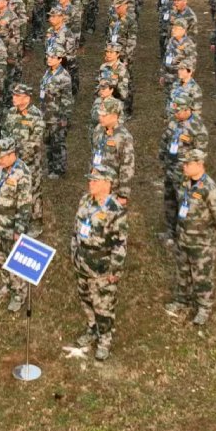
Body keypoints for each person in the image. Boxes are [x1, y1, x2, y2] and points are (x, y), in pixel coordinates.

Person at [71, 164, 129, 360]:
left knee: (103, 306)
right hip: (82, 263)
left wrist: (115, 270)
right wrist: (74, 253)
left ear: (107, 183)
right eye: (90, 180)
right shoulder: (85, 200)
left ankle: (105, 340)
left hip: (102, 269)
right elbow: (76, 230)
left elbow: (120, 243)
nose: (91, 183)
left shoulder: (115, 210)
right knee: (86, 299)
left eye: (95, 181)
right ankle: (92, 328)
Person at [164, 149, 216, 327]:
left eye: (188, 164)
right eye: (184, 163)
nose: (184, 166)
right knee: (183, 271)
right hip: (183, 237)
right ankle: (182, 300)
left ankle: (204, 307)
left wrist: (204, 228)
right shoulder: (185, 183)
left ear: (199, 164)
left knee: (202, 275)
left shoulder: (209, 188)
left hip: (201, 241)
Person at [0, 137, 35, 312]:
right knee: (1, 257)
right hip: (0, 223)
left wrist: (19, 230)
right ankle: (7, 285)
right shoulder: (3, 169)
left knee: (14, 260)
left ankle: (18, 293)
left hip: (12, 226)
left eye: (2, 157)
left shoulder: (22, 174)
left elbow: (25, 205)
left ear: (12, 154)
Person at [159, 95, 209, 244]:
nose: (176, 114)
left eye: (179, 111)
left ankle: (184, 237)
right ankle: (171, 231)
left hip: (185, 174)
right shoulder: (173, 121)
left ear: (188, 109)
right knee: (170, 200)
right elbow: (165, 140)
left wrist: (192, 176)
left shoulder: (197, 128)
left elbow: (200, 156)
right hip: (170, 168)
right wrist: (162, 159)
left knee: (185, 204)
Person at [2, 84, 47, 237]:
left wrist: (17, 157)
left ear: (27, 98)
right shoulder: (11, 113)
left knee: (33, 192)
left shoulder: (36, 116)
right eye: (13, 95)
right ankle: (18, 220)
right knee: (15, 191)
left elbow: (36, 142)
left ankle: (36, 223)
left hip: (30, 163)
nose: (13, 98)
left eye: (17, 95)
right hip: (12, 162)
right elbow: (4, 133)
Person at [90, 97, 135, 207]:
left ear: (114, 116)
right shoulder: (98, 129)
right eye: (100, 114)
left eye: (104, 115)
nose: (100, 118)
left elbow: (127, 167)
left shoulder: (124, 137)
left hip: (113, 189)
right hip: (98, 184)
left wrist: (123, 194)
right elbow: (93, 152)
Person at [41, 49, 74, 178]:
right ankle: (51, 167)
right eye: (48, 56)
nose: (49, 59)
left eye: (53, 57)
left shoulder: (64, 77)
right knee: (48, 142)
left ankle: (59, 170)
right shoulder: (48, 72)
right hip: (47, 114)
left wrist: (64, 118)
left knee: (58, 144)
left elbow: (67, 100)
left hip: (57, 116)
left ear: (60, 59)